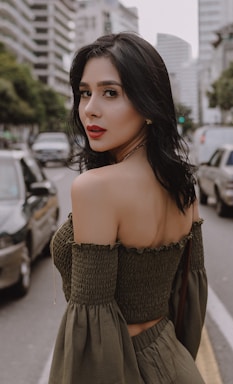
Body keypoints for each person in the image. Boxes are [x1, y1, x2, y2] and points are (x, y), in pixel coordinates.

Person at [49, 32, 207, 384]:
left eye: (110, 92)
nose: (90, 108)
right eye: (85, 93)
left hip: (124, 370)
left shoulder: (95, 188)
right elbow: (189, 300)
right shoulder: (183, 186)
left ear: (148, 104)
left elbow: (91, 333)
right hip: (176, 364)